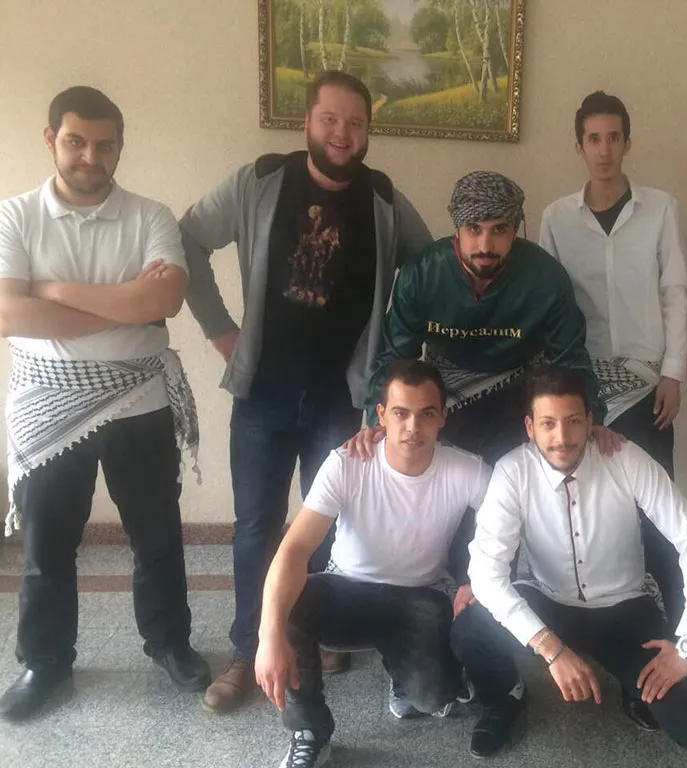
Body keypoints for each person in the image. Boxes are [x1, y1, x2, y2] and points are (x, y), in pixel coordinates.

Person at [178, 70, 433, 712]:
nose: (342, 134)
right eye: (330, 119)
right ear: (308, 122)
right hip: (263, 392)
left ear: (368, 131)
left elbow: (429, 270)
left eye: (355, 123)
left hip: (342, 398)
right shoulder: (260, 180)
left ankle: (312, 636)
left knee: (329, 522)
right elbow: (187, 240)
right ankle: (248, 650)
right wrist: (220, 329)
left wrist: (397, 364)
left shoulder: (383, 199)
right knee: (257, 525)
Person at [0, 86, 208, 721]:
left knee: (156, 536)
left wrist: (55, 292)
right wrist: (122, 306)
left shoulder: (150, 216)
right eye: (75, 141)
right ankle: (45, 661)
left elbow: (163, 301)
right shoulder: (15, 216)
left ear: (120, 147)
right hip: (45, 404)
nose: (90, 156)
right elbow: (8, 313)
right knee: (47, 545)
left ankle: (169, 643)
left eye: (104, 144)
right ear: (51, 140)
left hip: (137, 399)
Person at [450, 365, 687, 759]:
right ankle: (504, 697)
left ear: (589, 421)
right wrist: (551, 650)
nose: (562, 437)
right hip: (550, 603)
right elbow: (485, 571)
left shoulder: (625, 458)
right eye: (548, 423)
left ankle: (632, 684)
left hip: (624, 610)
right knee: (469, 628)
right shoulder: (513, 471)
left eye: (573, 421)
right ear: (530, 427)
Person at [254, 360, 490, 767]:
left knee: (434, 698)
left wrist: (477, 582)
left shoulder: (467, 470)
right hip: (345, 587)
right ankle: (308, 732)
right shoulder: (347, 462)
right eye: (400, 413)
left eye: (426, 414)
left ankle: (405, 673)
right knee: (288, 604)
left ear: (442, 417)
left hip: (422, 596)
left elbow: (510, 524)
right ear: (381, 415)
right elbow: (293, 549)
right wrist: (268, 635)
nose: (412, 427)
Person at [345, 170, 621, 465]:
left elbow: (569, 359)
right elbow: (396, 358)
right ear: (458, 230)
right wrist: (376, 421)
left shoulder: (546, 277)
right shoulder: (421, 274)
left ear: (515, 230)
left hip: (520, 381)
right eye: (474, 229)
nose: (485, 246)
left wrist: (594, 419)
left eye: (499, 230)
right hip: (446, 382)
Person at [539, 90, 687, 632]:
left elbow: (675, 290)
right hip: (583, 386)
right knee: (589, 511)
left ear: (627, 142)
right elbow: (549, 303)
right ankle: (596, 623)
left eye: (613, 138)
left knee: (656, 509)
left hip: (648, 382)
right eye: (593, 139)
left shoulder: (660, 208)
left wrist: (673, 372)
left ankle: (674, 624)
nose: (604, 150)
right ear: (578, 146)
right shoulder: (557, 217)